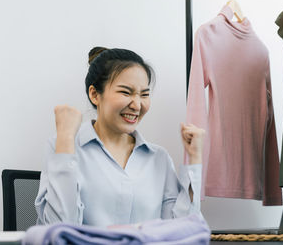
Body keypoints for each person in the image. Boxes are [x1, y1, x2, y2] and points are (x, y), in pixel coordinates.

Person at [35, 47, 205, 226]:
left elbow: (181, 229)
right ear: (94, 95)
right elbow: (60, 229)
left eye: (144, 94)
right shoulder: (63, 146)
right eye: (126, 92)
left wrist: (194, 159)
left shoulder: (159, 158)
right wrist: (65, 139)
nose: (137, 105)